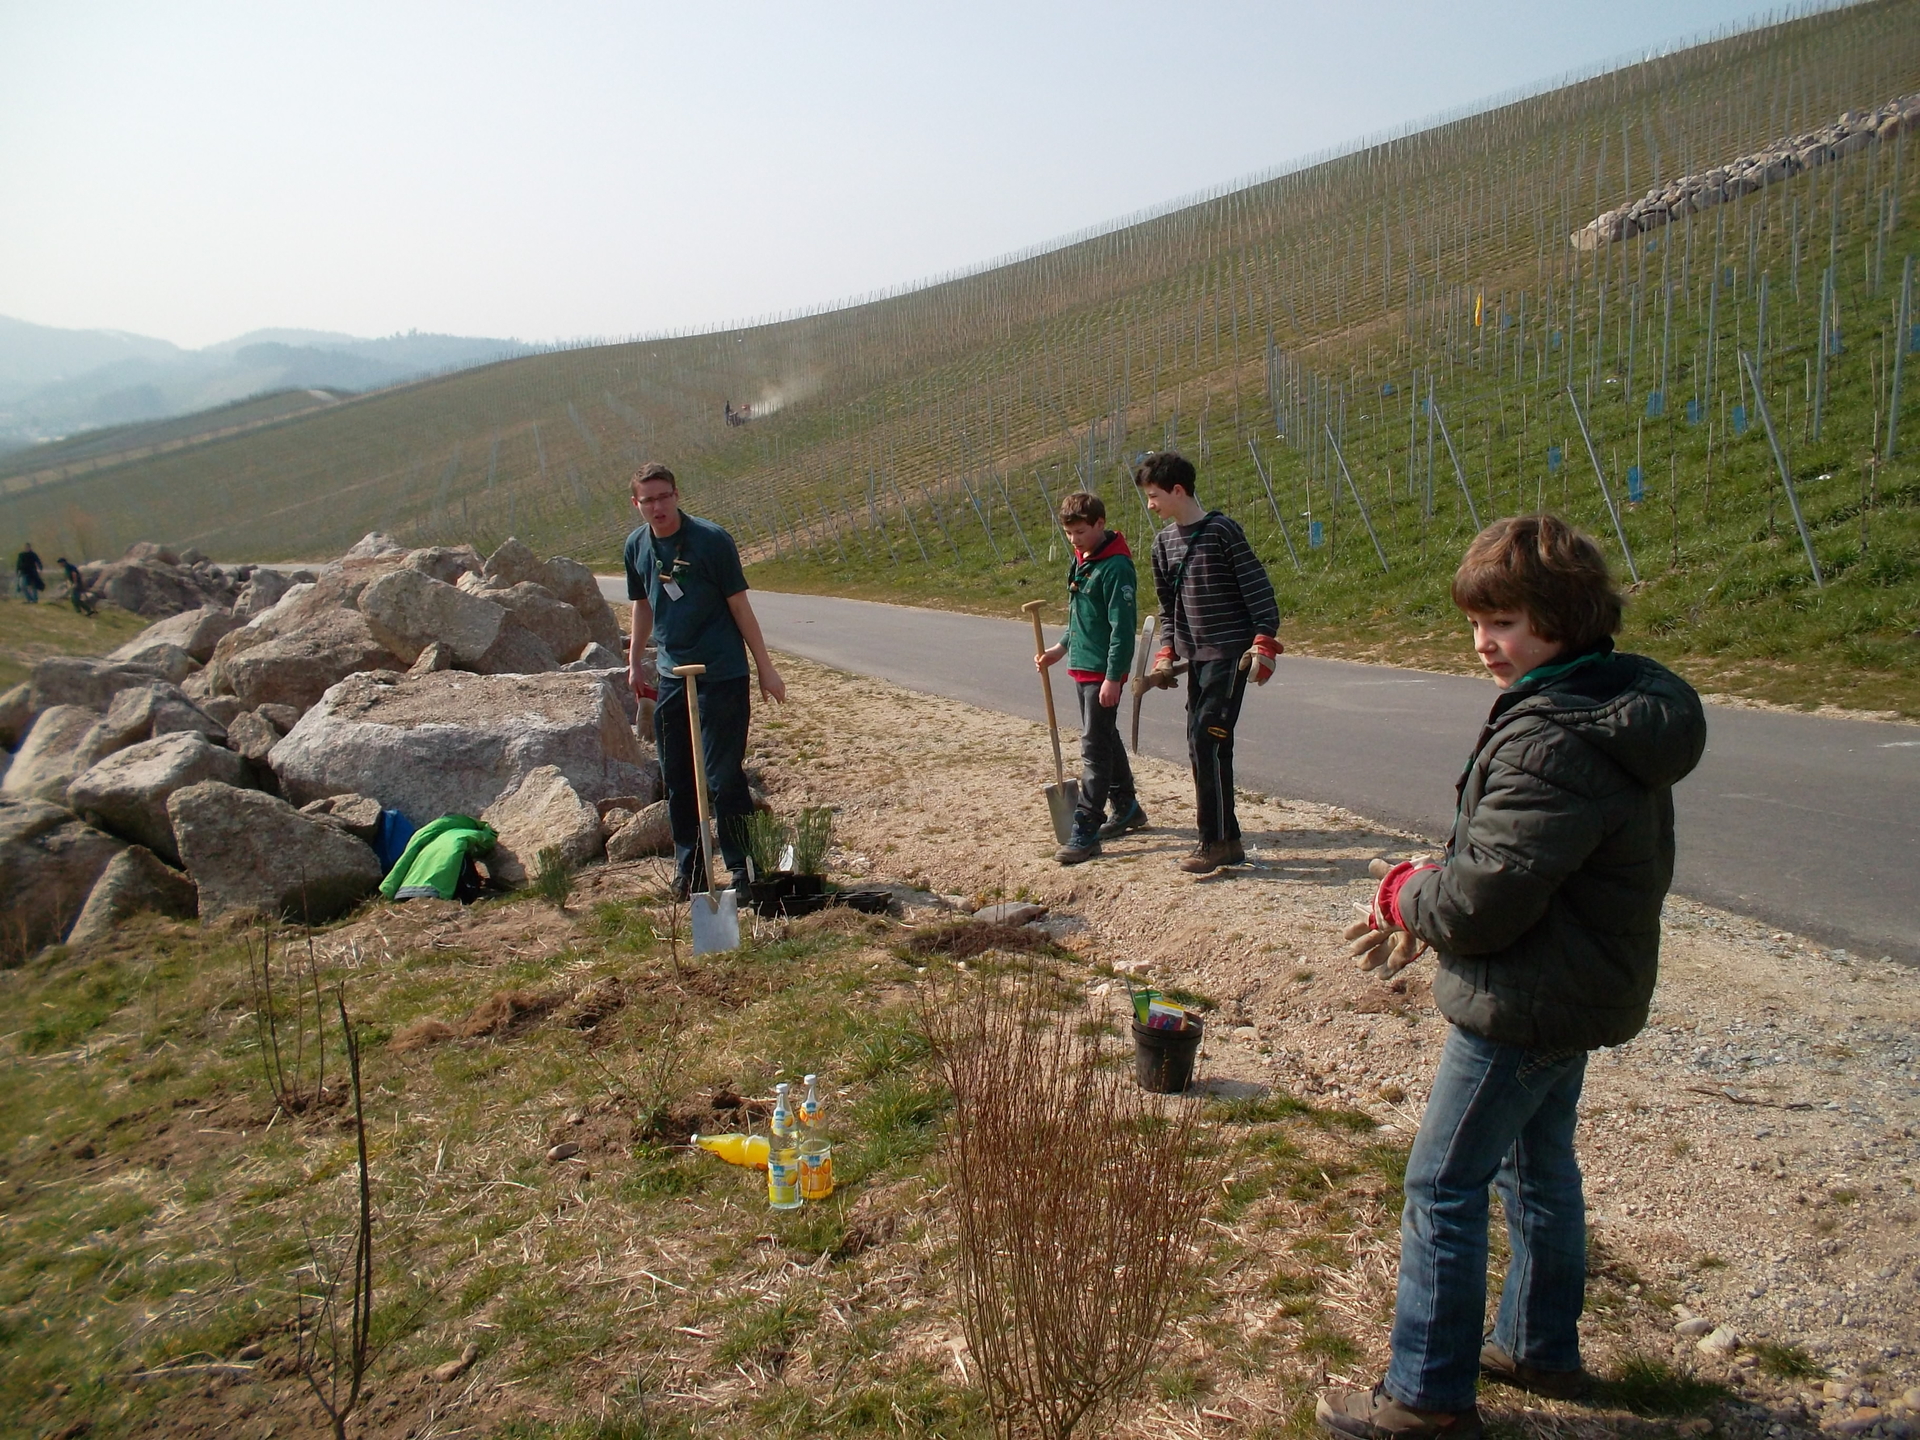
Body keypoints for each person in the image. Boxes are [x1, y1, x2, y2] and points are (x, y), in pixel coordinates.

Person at [1317, 514, 1706, 1440]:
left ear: (1563, 620)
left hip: (1526, 997)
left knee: (1442, 1184)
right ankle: (1537, 1345)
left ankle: (1425, 1397)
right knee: (1536, 1167)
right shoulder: (1607, 699)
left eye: (1504, 623)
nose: (1483, 644)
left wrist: (1406, 895)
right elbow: (1514, 863)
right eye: (1476, 623)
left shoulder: (1554, 737)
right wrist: (1441, 885)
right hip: (1573, 982)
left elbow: (1486, 901)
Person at [623, 462, 786, 899]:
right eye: (648, 500)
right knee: (677, 776)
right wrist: (636, 660)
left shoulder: (711, 541)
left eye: (664, 496)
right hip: (672, 676)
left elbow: (739, 606)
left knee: (722, 776)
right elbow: (642, 605)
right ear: (636, 503)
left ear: (677, 495)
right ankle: (691, 870)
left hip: (722, 674)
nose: (657, 507)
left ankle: (743, 870)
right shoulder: (637, 546)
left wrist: (764, 668)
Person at [1136, 451, 1282, 874]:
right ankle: (1227, 840)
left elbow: (1259, 592)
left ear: (1178, 490)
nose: (1151, 505)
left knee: (1208, 738)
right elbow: (1169, 606)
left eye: (1154, 495)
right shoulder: (1162, 544)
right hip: (1197, 659)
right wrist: (1167, 651)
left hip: (1230, 656)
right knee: (1203, 746)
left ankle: (1214, 843)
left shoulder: (1221, 531)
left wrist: (1264, 643)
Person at [1035, 490, 1145, 864]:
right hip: (1082, 664)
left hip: (1102, 671)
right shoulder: (1084, 560)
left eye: (1081, 532)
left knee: (1093, 749)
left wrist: (1114, 678)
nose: (1074, 540)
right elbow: (1081, 617)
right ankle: (1127, 807)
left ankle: (1086, 828)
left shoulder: (1116, 568)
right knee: (1105, 736)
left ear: (1100, 524)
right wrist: (1061, 648)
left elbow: (1121, 628)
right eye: (1069, 534)